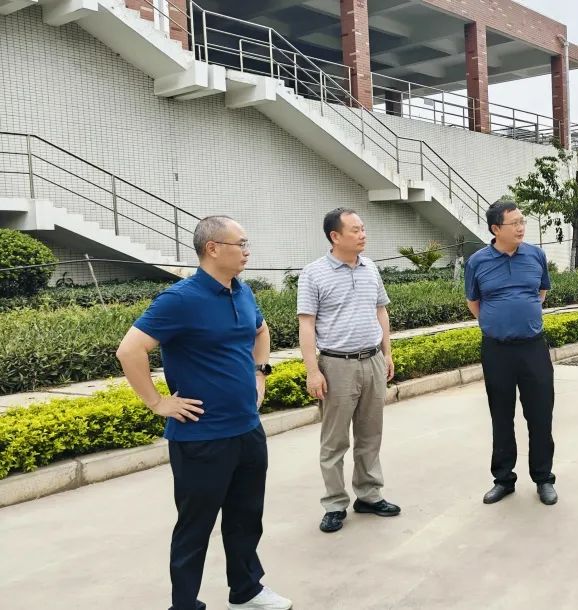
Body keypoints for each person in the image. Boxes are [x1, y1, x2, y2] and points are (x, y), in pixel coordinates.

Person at [115, 216, 291, 610]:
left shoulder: (241, 291)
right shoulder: (180, 299)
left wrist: (260, 371)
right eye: (240, 244)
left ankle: (246, 590)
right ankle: (184, 604)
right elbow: (129, 350)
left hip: (247, 429)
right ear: (212, 248)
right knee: (195, 527)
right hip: (201, 436)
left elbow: (260, 330)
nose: (247, 251)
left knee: (246, 516)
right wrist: (158, 402)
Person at [298, 208, 399, 534]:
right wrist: (313, 371)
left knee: (370, 434)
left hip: (372, 361)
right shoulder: (313, 273)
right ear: (335, 236)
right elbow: (306, 324)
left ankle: (369, 495)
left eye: (363, 229)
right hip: (336, 365)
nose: (362, 234)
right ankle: (334, 503)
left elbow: (381, 311)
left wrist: (387, 353)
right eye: (355, 230)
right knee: (335, 440)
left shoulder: (371, 268)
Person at [465, 201, 557, 506]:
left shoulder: (536, 255)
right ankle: (503, 479)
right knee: (501, 416)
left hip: (533, 347)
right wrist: (496, 323)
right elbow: (474, 302)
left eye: (522, 221)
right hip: (497, 350)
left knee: (540, 415)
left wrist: (521, 314)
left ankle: (543, 478)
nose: (520, 227)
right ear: (495, 229)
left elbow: (540, 293)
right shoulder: (477, 262)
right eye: (514, 223)